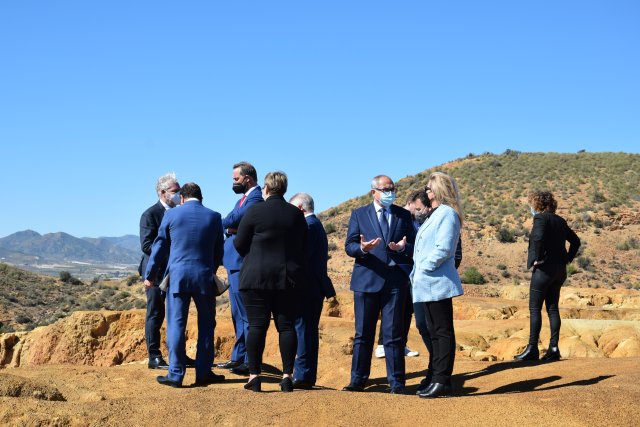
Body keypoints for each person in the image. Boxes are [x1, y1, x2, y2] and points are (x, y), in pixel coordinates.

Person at [144, 182, 226, 388]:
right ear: (201, 197)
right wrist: (210, 269)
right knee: (207, 325)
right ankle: (204, 372)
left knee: (176, 324)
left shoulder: (171, 215)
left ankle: (176, 374)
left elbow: (159, 246)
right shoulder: (214, 217)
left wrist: (150, 275)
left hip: (178, 278)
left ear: (182, 198)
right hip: (204, 277)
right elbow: (219, 250)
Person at [234, 171, 308, 392]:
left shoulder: (254, 210)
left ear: (266, 188)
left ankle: (254, 376)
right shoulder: (295, 214)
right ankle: (287, 377)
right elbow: (304, 245)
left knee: (257, 326)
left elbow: (239, 244)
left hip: (255, 278)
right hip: (286, 279)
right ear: (284, 189)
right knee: (286, 327)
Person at [342, 175, 416, 394]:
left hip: (395, 282)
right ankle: (357, 380)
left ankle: (397, 383)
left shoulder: (404, 215)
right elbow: (349, 246)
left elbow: (413, 245)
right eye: (385, 189)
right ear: (373, 192)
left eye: (392, 188)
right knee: (363, 334)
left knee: (394, 334)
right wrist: (363, 248)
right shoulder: (359, 214)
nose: (389, 192)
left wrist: (403, 248)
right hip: (366, 280)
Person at [411, 172, 464, 398]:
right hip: (427, 284)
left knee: (442, 332)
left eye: (429, 188)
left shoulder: (448, 214)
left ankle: (443, 380)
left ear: (439, 190)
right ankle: (436, 377)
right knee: (434, 331)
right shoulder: (435, 214)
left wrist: (424, 267)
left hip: (437, 282)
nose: (426, 192)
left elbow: (444, 248)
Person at [514, 190, 580, 362]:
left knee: (535, 309)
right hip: (559, 271)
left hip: (544, 269)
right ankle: (553, 348)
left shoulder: (540, 219)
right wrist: (567, 259)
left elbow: (538, 238)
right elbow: (576, 241)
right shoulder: (560, 220)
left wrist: (537, 259)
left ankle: (532, 349)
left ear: (537, 204)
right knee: (552, 308)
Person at [138, 172, 193, 369]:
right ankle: (154, 356)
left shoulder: (181, 212)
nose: (179, 194)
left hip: (177, 270)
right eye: (175, 191)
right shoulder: (150, 215)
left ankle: (179, 355)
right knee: (155, 313)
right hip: (156, 273)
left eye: (180, 191)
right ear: (162, 193)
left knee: (177, 314)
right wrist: (172, 249)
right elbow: (146, 245)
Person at [217, 162, 263, 376]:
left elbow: (234, 220)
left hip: (242, 262)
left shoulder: (254, 199)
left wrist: (231, 225)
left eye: (236, 179)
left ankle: (246, 360)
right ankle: (238, 357)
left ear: (248, 178)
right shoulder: (241, 200)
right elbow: (232, 222)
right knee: (237, 313)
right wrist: (231, 227)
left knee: (244, 314)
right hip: (233, 262)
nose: (233, 182)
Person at [289, 192, 336, 389]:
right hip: (314, 286)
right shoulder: (316, 224)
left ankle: (302, 375)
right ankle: (306, 374)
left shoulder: (308, 226)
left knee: (303, 330)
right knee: (307, 330)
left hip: (307, 286)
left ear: (300, 208)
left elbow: (303, 258)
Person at [374, 191, 421, 359]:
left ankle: (401, 344)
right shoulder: (396, 217)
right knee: (390, 309)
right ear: (411, 203)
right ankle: (381, 344)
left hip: (410, 272)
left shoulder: (414, 221)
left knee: (407, 309)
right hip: (394, 270)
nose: (420, 210)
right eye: (417, 207)